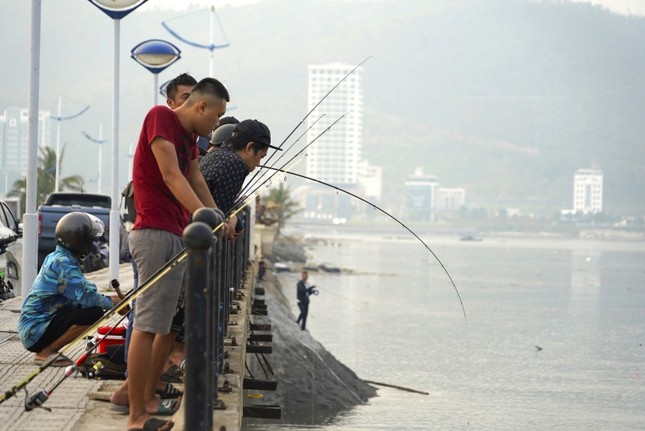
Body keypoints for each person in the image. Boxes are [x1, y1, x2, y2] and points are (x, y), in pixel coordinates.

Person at [124, 77, 229, 431]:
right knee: (148, 325)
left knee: (161, 327)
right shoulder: (160, 117)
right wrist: (204, 214)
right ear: (202, 106)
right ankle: (136, 416)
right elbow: (171, 176)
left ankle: (139, 397)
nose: (217, 124)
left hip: (175, 232)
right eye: (217, 116)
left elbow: (195, 176)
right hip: (154, 231)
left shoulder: (189, 139)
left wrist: (218, 216)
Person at [18, 212, 118, 367]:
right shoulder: (62, 263)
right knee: (94, 313)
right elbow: (86, 297)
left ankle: (48, 351)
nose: (92, 244)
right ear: (78, 240)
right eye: (90, 239)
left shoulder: (58, 257)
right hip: (35, 330)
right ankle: (47, 352)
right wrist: (115, 303)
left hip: (36, 325)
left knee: (91, 309)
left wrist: (112, 299)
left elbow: (83, 291)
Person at [199, 119, 282, 238]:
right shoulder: (236, 165)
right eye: (260, 156)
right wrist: (228, 223)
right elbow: (220, 213)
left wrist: (232, 219)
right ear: (249, 147)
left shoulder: (217, 154)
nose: (258, 164)